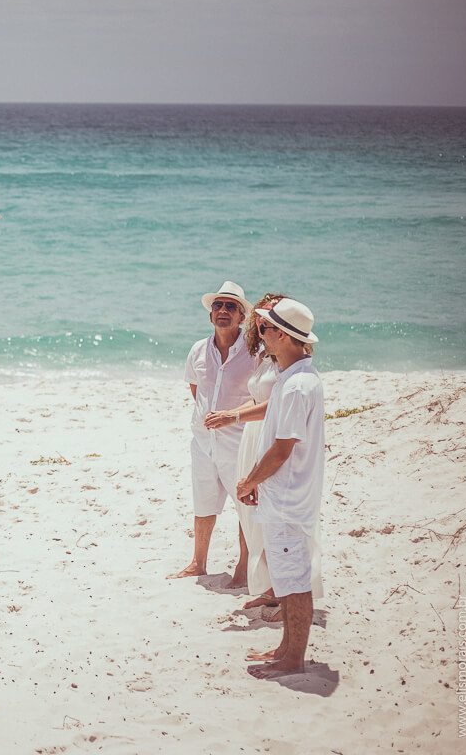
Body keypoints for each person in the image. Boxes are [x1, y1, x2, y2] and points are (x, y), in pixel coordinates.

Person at [237, 298, 325, 679]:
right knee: (287, 581)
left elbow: (282, 448)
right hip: (284, 498)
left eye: (267, 328)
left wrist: (250, 480)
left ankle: (294, 659)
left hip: (289, 501)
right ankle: (286, 648)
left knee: (296, 585)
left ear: (285, 336)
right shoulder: (294, 378)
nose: (263, 334)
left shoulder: (296, 386)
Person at [173, 281, 258, 587]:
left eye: (230, 306)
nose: (223, 310)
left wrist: (229, 417)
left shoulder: (255, 352)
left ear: (242, 316)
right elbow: (196, 389)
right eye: (218, 306)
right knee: (203, 502)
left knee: (245, 506)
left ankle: (243, 569)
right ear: (210, 315)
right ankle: (198, 563)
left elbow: (262, 397)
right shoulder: (198, 349)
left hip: (239, 442)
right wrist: (208, 418)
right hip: (203, 442)